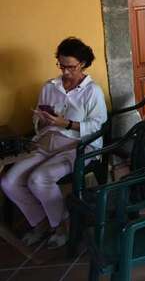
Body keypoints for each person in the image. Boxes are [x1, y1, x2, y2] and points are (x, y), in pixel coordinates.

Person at [1, 37, 108, 249]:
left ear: (83, 64)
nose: (65, 71)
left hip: (78, 146)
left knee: (39, 178)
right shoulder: (50, 86)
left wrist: (65, 123)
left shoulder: (92, 91)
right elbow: (38, 119)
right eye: (61, 65)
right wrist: (41, 119)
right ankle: (41, 222)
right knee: (8, 181)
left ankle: (62, 226)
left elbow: (97, 125)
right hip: (46, 142)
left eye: (71, 67)